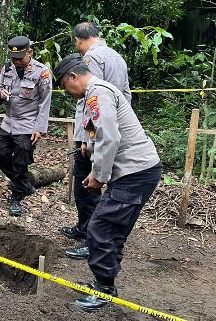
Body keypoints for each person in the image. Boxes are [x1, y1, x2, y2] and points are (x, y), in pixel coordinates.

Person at [53, 54, 161, 311]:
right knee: (110, 229)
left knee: (101, 228)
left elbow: (110, 138)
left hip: (134, 172)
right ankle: (104, 281)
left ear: (73, 77)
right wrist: (89, 151)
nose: (67, 92)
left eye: (65, 86)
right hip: (136, 171)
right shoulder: (96, 93)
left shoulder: (97, 93)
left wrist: (99, 176)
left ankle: (104, 289)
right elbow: (99, 132)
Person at [61, 22, 132, 260]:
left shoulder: (90, 59)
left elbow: (87, 99)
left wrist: (85, 138)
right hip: (113, 129)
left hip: (96, 135)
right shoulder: (118, 57)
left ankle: (90, 237)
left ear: (78, 41)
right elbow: (125, 95)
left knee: (87, 185)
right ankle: (85, 229)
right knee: (92, 185)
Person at [0, 36, 52, 216]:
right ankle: (24, 184)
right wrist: (0, 94)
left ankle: (16, 198)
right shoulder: (7, 68)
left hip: (28, 125)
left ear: (30, 53)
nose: (16, 61)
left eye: (19, 58)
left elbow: (45, 102)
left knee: (20, 162)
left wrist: (39, 128)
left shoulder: (42, 72)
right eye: (13, 58)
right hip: (8, 121)